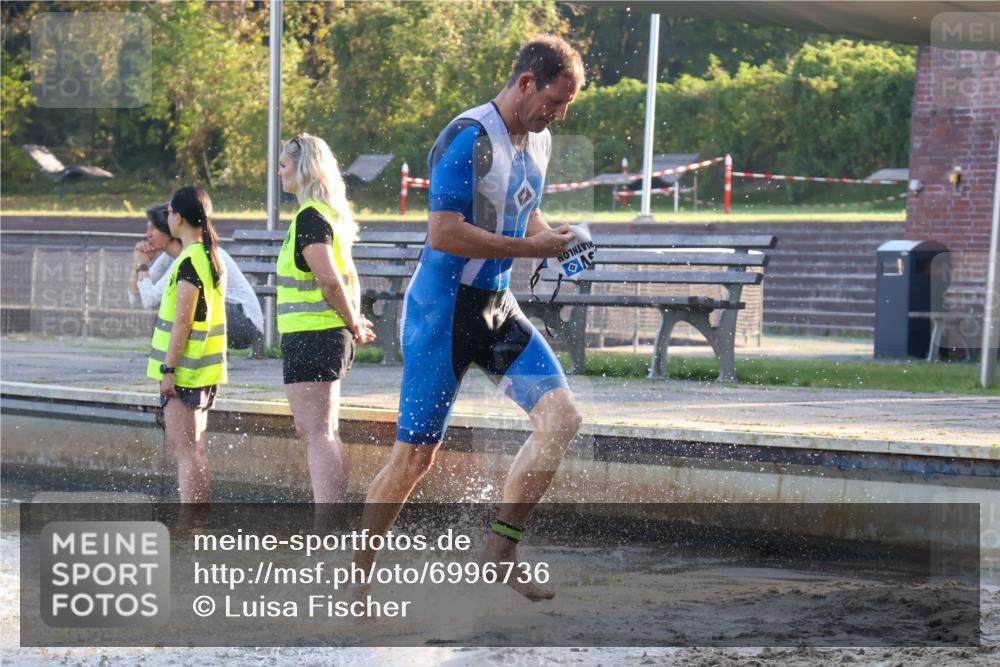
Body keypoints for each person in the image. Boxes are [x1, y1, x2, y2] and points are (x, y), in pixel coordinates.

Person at [355, 36, 585, 600]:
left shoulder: (539, 140)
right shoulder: (469, 138)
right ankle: (355, 584)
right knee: (413, 462)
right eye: (555, 101)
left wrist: (554, 236)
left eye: (566, 107)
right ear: (527, 83)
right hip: (442, 314)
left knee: (562, 420)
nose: (558, 115)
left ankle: (501, 548)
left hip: (495, 307)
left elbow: (521, 212)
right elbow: (444, 231)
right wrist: (536, 251)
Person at [277, 133, 376, 503]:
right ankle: (331, 523)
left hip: (315, 334)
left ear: (304, 169)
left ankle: (328, 526)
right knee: (321, 431)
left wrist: (353, 322)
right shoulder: (322, 215)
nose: (279, 172)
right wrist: (352, 321)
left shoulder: (311, 218)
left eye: (284, 165)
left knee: (318, 433)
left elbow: (330, 281)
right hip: (318, 334)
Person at [147, 186, 227, 503]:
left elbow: (183, 321)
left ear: (178, 218)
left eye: (168, 212)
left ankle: (191, 527)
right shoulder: (207, 256)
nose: (166, 217)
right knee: (195, 450)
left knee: (186, 453)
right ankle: (198, 524)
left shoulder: (189, 262)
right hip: (202, 370)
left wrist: (169, 370)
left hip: (186, 373)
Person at [130, 204, 264, 349]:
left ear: (170, 230)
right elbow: (137, 300)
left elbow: (150, 300)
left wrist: (143, 267)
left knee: (182, 303)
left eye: (153, 228)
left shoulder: (191, 254)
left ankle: (189, 361)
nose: (147, 234)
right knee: (174, 304)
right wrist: (138, 264)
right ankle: (180, 358)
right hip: (225, 318)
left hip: (244, 324)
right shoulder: (168, 258)